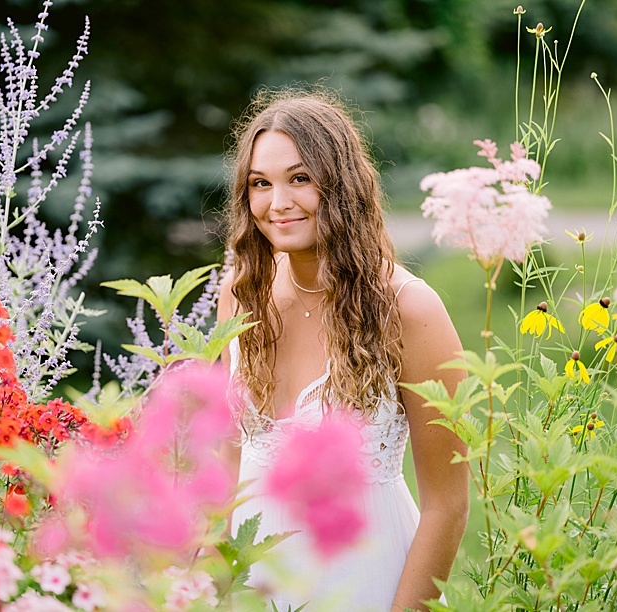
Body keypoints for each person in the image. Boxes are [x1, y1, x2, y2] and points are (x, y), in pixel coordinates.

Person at [216, 89, 470, 611]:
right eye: (259, 184)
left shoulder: (409, 310)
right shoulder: (239, 297)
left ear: (340, 184)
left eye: (299, 178)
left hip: (366, 581)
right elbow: (224, 467)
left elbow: (448, 504)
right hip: (252, 585)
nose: (277, 202)